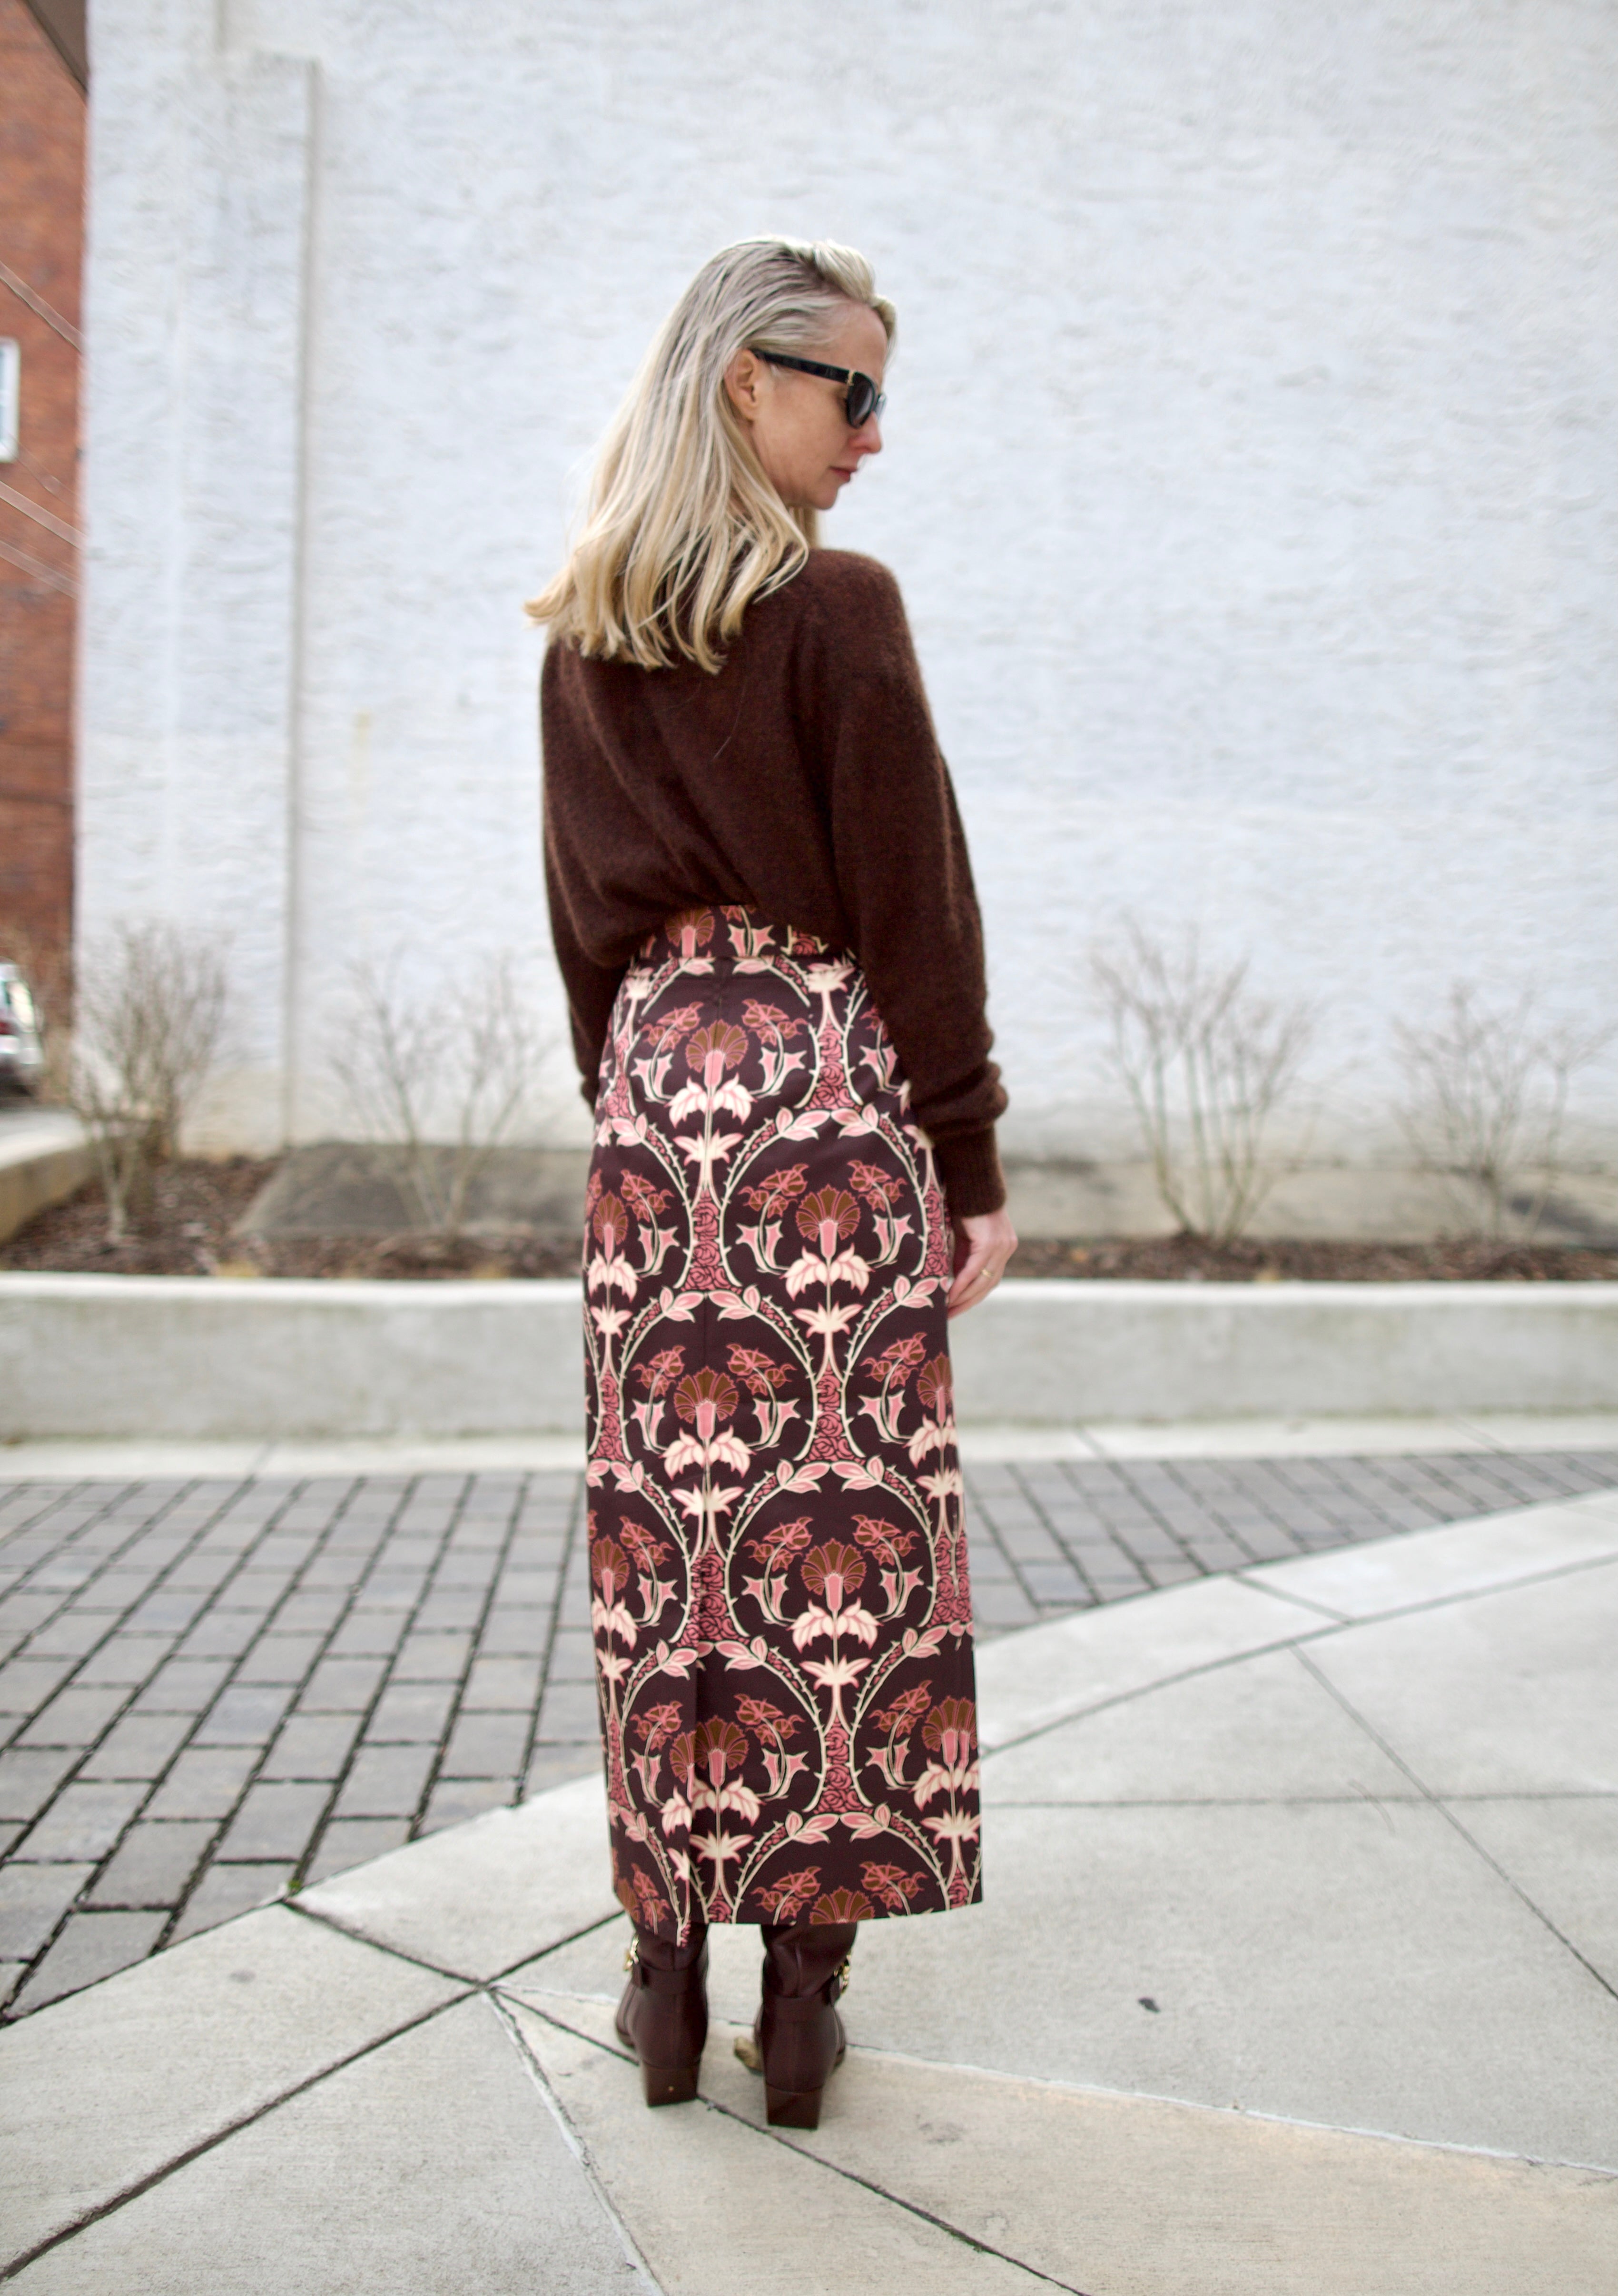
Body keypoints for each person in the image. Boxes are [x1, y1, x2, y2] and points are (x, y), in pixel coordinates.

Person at [530, 237, 1016, 2130]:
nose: (875, 437)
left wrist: (642, 1125)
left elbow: (582, 933)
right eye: (855, 392)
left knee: (674, 1560)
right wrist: (962, 1148)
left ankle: (666, 1974)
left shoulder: (586, 628)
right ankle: (800, 2010)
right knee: (843, 1542)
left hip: (658, 1105)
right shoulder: (843, 610)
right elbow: (916, 906)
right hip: (824, 1084)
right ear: (749, 382)